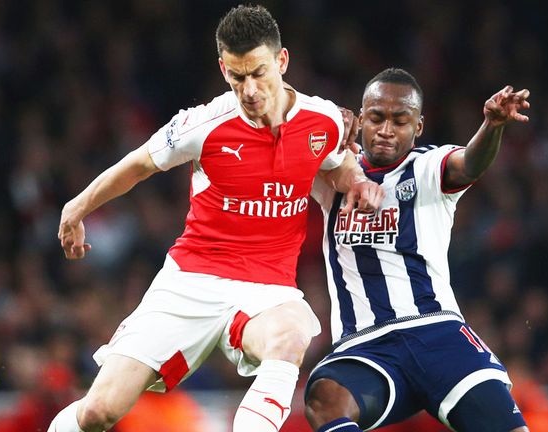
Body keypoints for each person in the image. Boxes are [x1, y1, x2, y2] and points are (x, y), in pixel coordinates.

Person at [49, 5, 382, 432]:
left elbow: (336, 163)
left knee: (292, 335)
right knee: (99, 412)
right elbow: (138, 165)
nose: (249, 89)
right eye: (237, 76)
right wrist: (77, 206)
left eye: (259, 73)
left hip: (268, 287)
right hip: (191, 278)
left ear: (282, 61)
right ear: (223, 68)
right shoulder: (204, 123)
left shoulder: (325, 121)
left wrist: (357, 180)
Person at [305, 68, 531, 432]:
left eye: (400, 120)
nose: (386, 129)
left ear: (419, 127)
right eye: (376, 118)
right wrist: (327, 124)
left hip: (437, 334)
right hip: (366, 346)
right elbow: (282, 131)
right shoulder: (334, 173)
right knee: (325, 398)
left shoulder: (427, 167)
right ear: (362, 119)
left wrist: (492, 126)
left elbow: (469, 163)